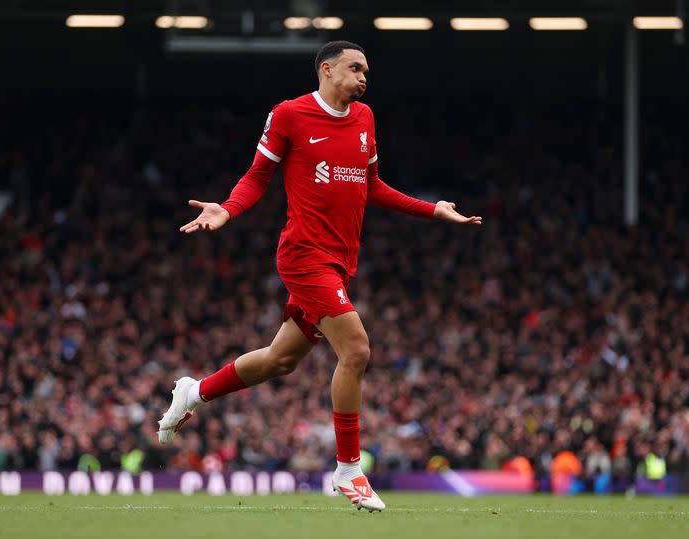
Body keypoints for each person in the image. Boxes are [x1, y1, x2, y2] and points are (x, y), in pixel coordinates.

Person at [158, 40, 481, 512]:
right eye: (356, 68)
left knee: (278, 360)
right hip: (304, 256)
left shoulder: (365, 119)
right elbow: (257, 176)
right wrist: (226, 210)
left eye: (367, 69)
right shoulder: (289, 115)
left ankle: (196, 391)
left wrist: (432, 209)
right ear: (327, 70)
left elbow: (373, 187)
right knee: (357, 348)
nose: (365, 76)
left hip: (340, 263)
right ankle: (349, 469)